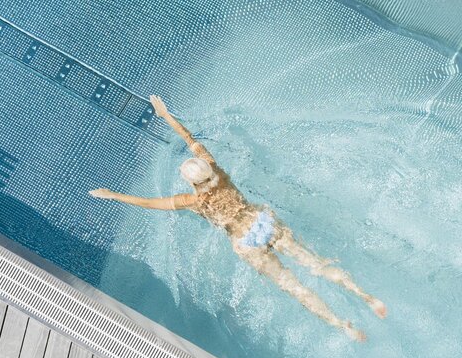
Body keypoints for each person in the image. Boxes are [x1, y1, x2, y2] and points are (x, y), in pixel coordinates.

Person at [90, 96, 386, 341]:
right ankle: (367, 297)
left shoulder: (191, 201)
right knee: (315, 263)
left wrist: (113, 195)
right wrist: (166, 115)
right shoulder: (215, 170)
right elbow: (190, 138)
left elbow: (147, 202)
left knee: (294, 287)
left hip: (245, 241)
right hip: (261, 221)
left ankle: (342, 325)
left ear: (191, 182)